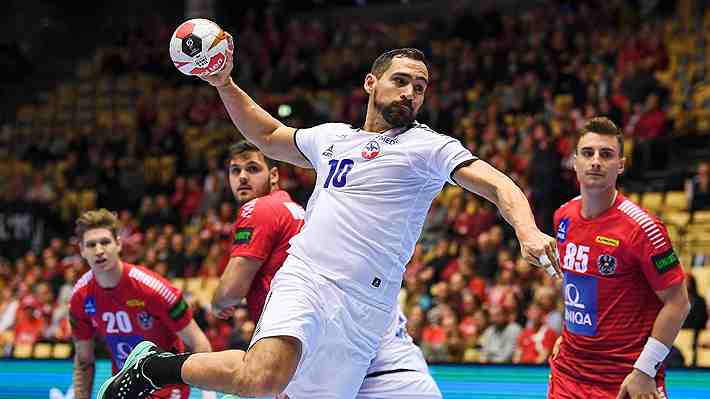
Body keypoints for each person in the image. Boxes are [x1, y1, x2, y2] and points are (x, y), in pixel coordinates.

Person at [98, 34, 561, 399]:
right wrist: (224, 83)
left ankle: (151, 364)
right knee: (263, 377)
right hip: (308, 277)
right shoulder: (332, 138)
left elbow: (499, 184)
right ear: (370, 83)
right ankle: (155, 368)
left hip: (367, 310)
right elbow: (268, 133)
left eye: (419, 87)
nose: (411, 93)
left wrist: (526, 229)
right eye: (401, 80)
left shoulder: (429, 147)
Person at [211, 140, 442, 398]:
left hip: (317, 343)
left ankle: (161, 366)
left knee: (248, 380)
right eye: (235, 170)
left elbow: (230, 291)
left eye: (252, 169)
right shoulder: (299, 212)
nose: (242, 177)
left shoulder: (261, 208)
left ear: (274, 175)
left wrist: (218, 304)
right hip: (358, 343)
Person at [548, 117, 690, 399]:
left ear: (621, 165)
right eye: (587, 153)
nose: (596, 161)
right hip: (568, 374)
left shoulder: (644, 228)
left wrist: (644, 370)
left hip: (627, 380)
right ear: (575, 162)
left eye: (606, 154)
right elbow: (577, 285)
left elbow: (678, 303)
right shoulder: (562, 216)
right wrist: (570, 334)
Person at [69, 209, 214, 399]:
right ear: (81, 250)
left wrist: (208, 394)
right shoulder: (80, 296)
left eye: (105, 242)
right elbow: (84, 361)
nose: (98, 251)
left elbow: (199, 343)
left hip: (167, 387)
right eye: (91, 245)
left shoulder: (153, 289)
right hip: (124, 387)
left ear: (118, 244)